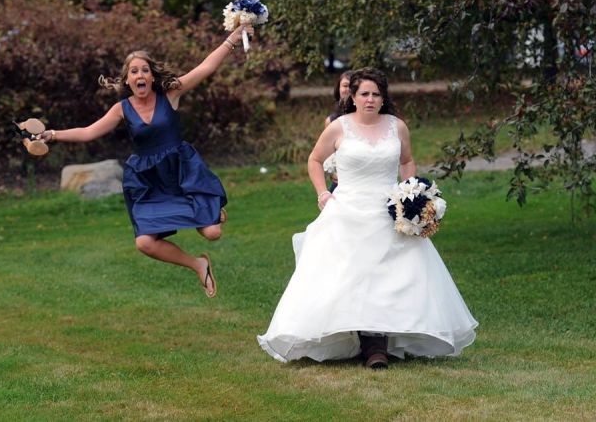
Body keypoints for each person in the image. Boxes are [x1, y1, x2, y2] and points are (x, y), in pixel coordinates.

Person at [257, 67, 478, 368]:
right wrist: (323, 193)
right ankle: (362, 342)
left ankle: (378, 346)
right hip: (347, 210)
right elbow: (315, 159)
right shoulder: (339, 127)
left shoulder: (397, 127)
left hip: (387, 211)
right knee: (349, 275)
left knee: (389, 277)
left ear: (384, 98)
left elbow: (407, 160)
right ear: (353, 96)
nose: (370, 99)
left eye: (376, 94)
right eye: (364, 94)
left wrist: (410, 194)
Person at [38, 23, 254, 298]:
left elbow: (205, 68)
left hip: (181, 173)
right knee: (144, 243)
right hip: (149, 182)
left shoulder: (170, 94)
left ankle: (210, 210)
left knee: (213, 234)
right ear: (127, 80)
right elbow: (88, 132)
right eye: (134, 71)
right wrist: (52, 134)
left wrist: (232, 39)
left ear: (152, 77)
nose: (140, 75)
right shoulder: (121, 109)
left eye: (144, 70)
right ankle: (198, 264)